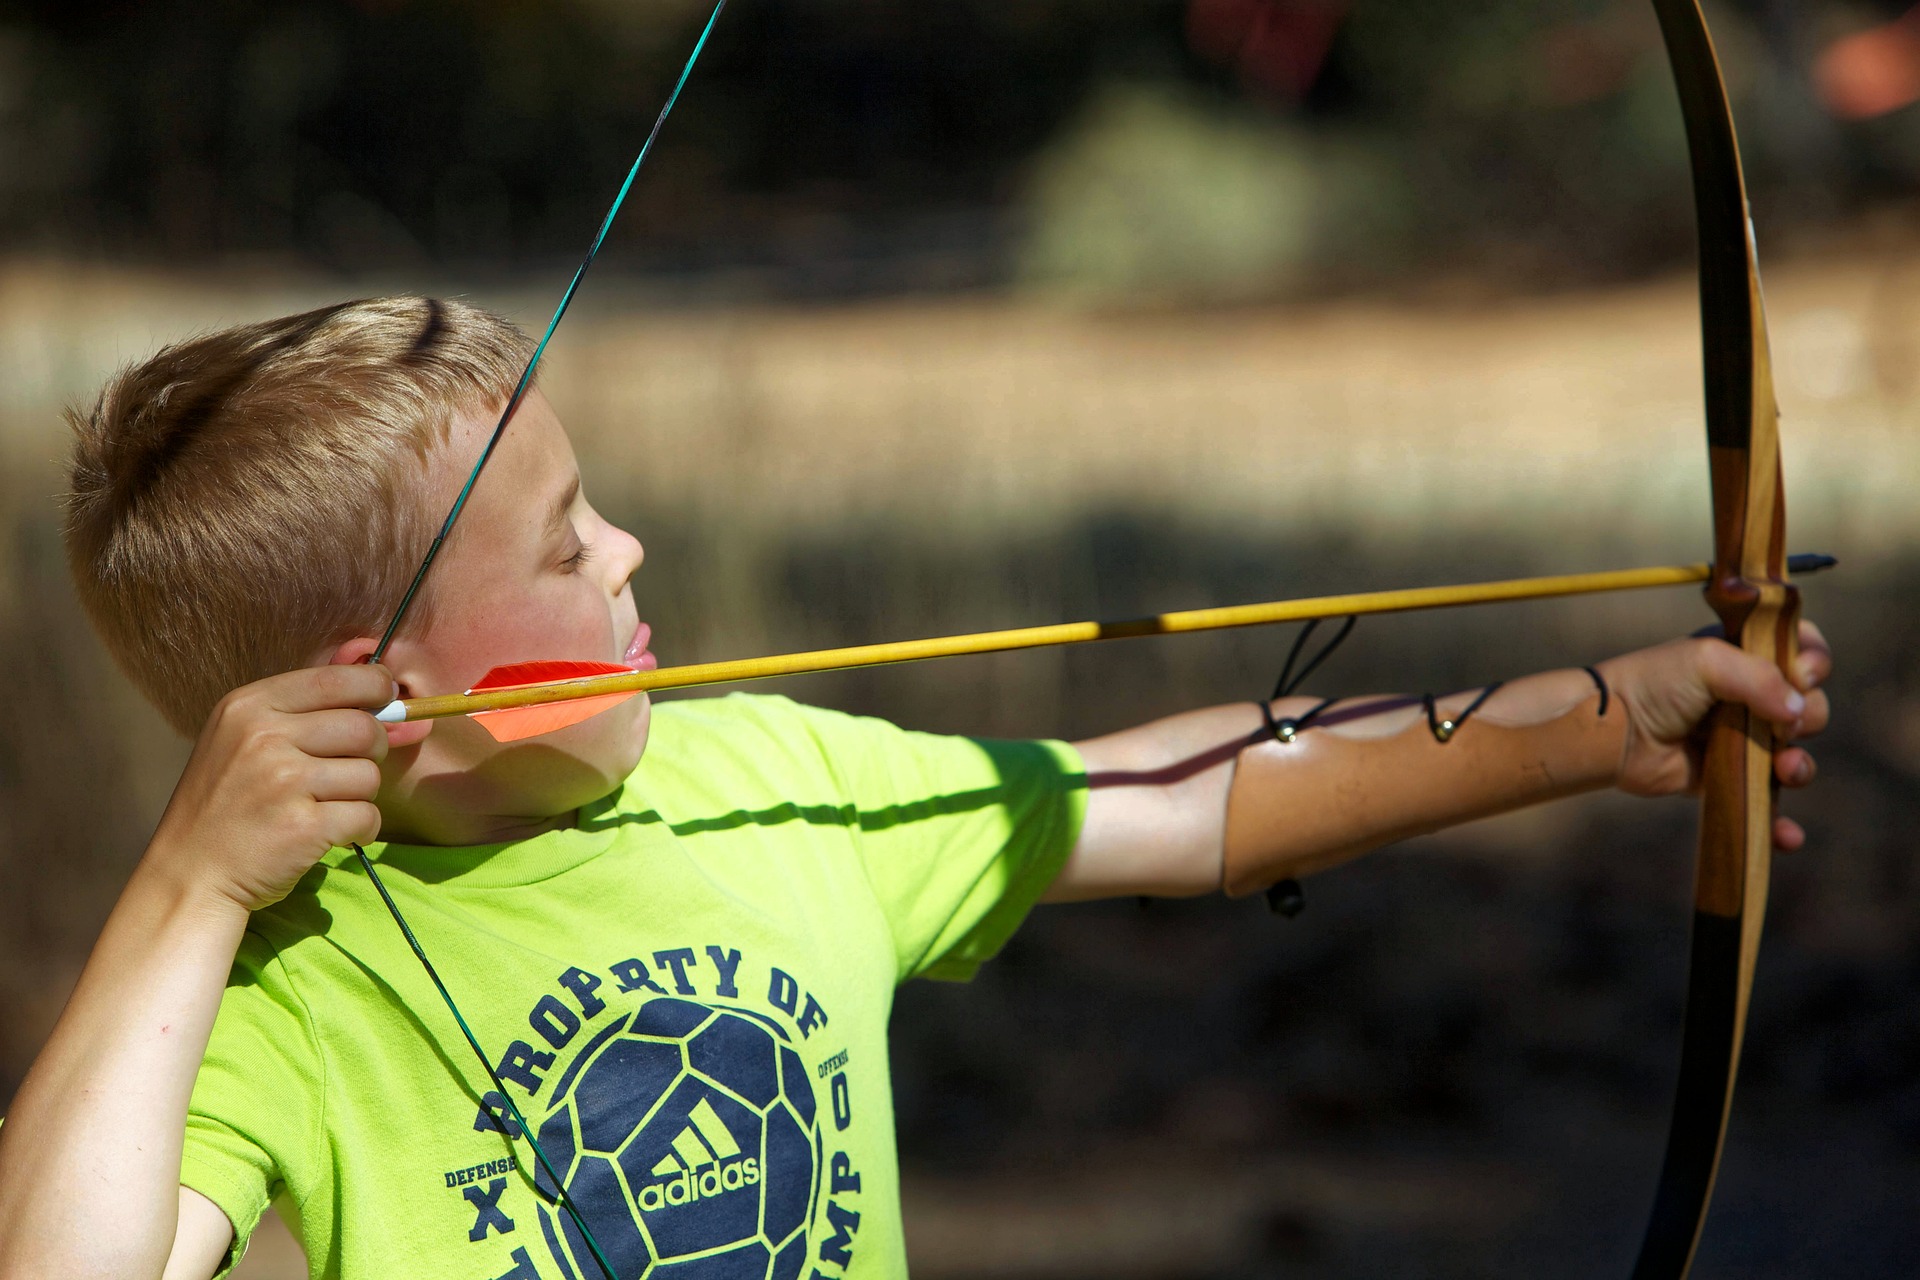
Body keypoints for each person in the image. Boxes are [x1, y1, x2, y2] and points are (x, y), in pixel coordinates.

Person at [0, 297, 1830, 1280]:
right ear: (387, 694)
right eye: (565, 546)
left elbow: (1183, 800)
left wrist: (1603, 715)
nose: (631, 550)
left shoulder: (771, 781)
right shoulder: (287, 983)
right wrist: (189, 889)